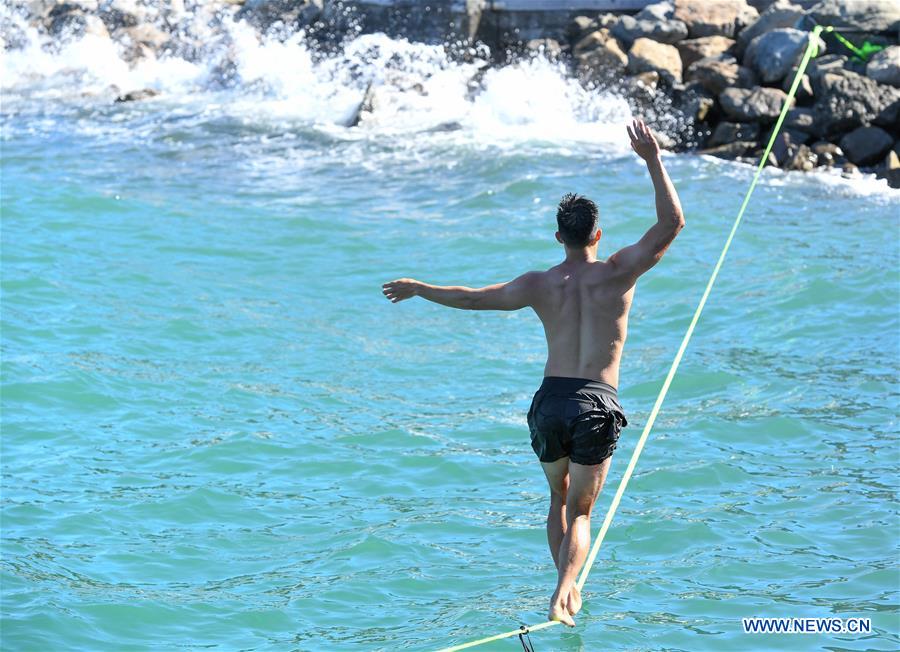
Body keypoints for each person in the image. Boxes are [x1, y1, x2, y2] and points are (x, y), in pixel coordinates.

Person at [381, 118, 685, 627]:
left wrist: (420, 288)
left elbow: (473, 299)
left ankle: (561, 590)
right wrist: (652, 159)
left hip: (549, 403)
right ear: (597, 234)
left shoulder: (539, 284)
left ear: (558, 237)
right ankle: (567, 589)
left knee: (558, 500)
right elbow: (672, 222)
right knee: (583, 513)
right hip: (595, 401)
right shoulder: (618, 270)